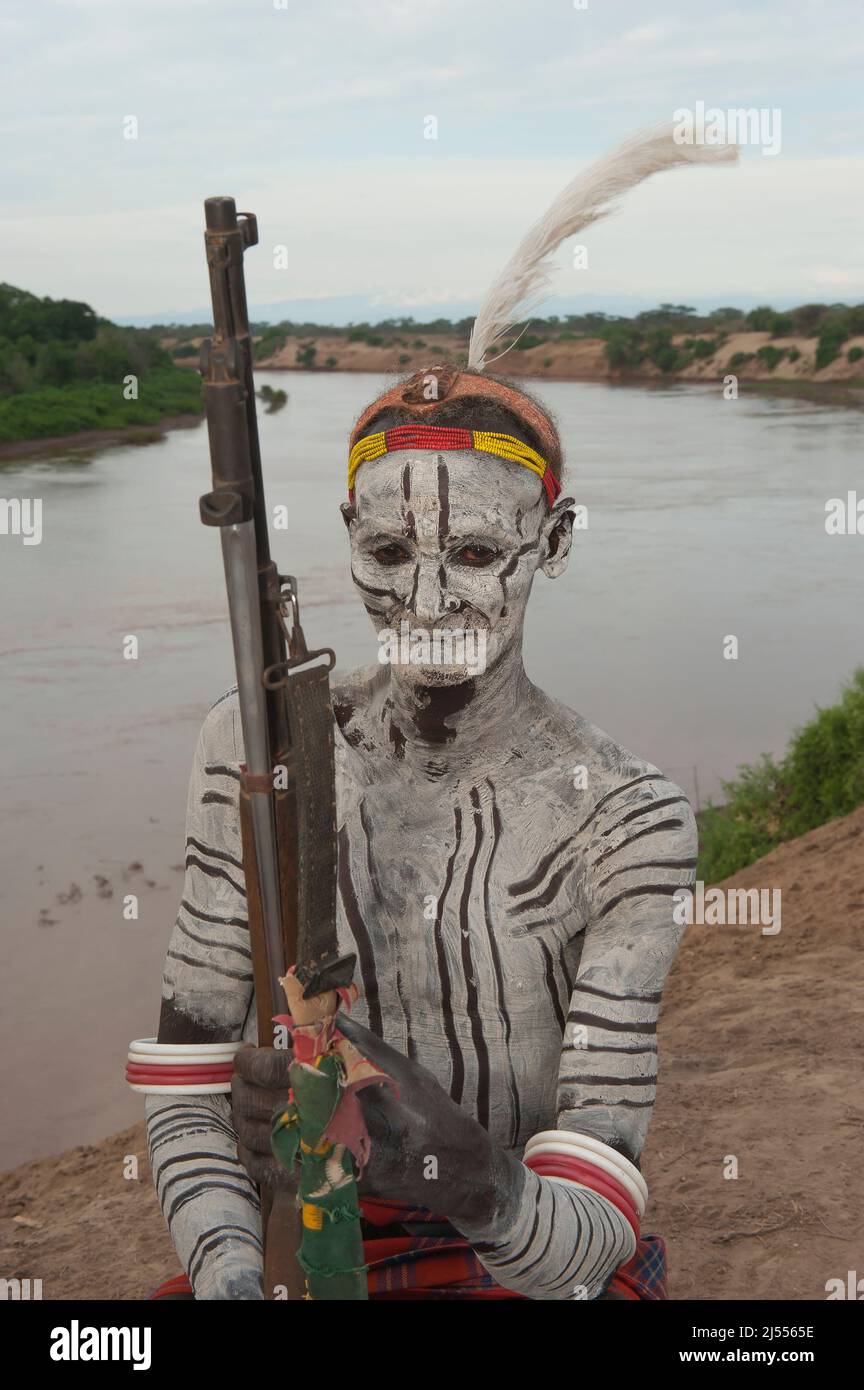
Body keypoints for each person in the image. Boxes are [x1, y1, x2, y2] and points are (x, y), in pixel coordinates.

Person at [140, 125, 733, 1300]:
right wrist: (227, 1269)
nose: (422, 597)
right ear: (345, 540)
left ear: (552, 544)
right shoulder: (249, 751)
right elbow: (186, 1089)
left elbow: (596, 1216)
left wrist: (471, 1180)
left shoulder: (626, 819)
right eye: (384, 547)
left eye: (471, 549)